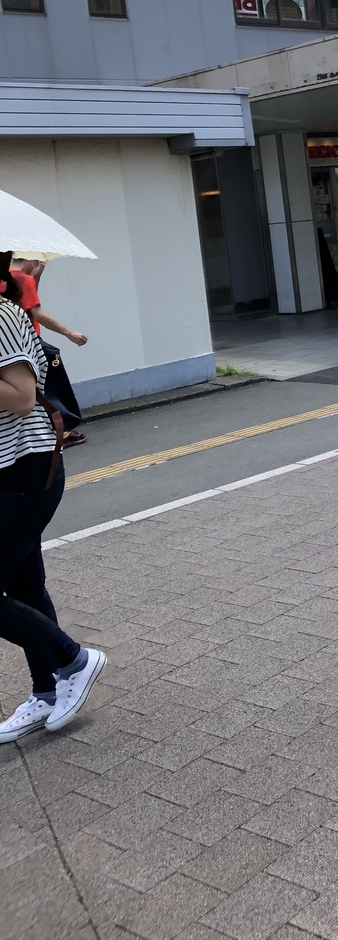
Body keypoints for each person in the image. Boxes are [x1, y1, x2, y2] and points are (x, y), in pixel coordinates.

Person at [0, 252, 106, 742]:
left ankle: (74, 661)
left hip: (26, 472)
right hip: (10, 472)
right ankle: (46, 692)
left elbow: (21, 397)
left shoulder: (2, 316)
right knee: (26, 588)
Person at [9, 260, 88, 447]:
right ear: (32, 259)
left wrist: (37, 276)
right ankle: (61, 431)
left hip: (14, 344)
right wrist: (69, 333)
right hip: (32, 341)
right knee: (52, 386)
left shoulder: (7, 278)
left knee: (32, 391)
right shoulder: (24, 280)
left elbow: (25, 301)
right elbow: (37, 313)